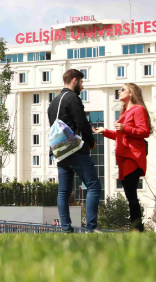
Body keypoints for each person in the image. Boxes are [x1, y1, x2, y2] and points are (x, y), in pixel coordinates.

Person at [49, 69, 102, 233]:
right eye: (81, 82)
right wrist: (91, 141)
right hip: (75, 150)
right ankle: (91, 228)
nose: (82, 86)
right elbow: (82, 123)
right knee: (94, 186)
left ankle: (66, 228)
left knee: (63, 191)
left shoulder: (53, 103)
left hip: (60, 152)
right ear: (74, 80)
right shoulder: (73, 98)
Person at [94, 83, 151, 232]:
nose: (119, 92)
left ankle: (137, 228)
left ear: (131, 93)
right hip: (125, 157)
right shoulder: (125, 112)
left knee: (131, 195)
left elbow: (144, 131)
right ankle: (136, 227)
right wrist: (105, 131)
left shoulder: (138, 110)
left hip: (133, 156)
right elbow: (122, 136)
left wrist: (125, 128)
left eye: (122, 89)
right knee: (130, 195)